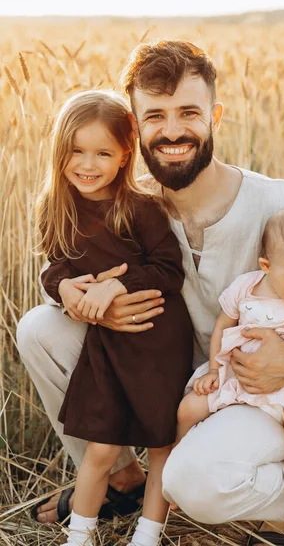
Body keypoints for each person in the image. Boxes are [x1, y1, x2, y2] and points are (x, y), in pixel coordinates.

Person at [17, 41, 284, 546]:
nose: (173, 130)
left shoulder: (278, 201)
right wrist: (71, 294)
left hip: (250, 392)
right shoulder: (128, 203)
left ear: (215, 116)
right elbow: (61, 260)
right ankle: (122, 479)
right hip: (167, 377)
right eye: (156, 116)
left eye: (189, 112)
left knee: (193, 482)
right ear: (136, 129)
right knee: (38, 328)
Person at [36, 90, 193, 546]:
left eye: (103, 152)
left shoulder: (140, 207)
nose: (88, 164)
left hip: (156, 340)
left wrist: (116, 285)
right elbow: (57, 265)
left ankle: (146, 536)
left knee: (161, 444)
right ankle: (79, 537)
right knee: (102, 447)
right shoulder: (56, 208)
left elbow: (169, 269)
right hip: (105, 346)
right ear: (59, 151)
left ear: (126, 154)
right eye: (76, 151)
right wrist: (63, 288)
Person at [176, 207, 284, 546]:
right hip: (237, 379)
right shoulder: (247, 287)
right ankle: (174, 472)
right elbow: (222, 326)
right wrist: (214, 369)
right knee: (188, 410)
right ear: (266, 267)